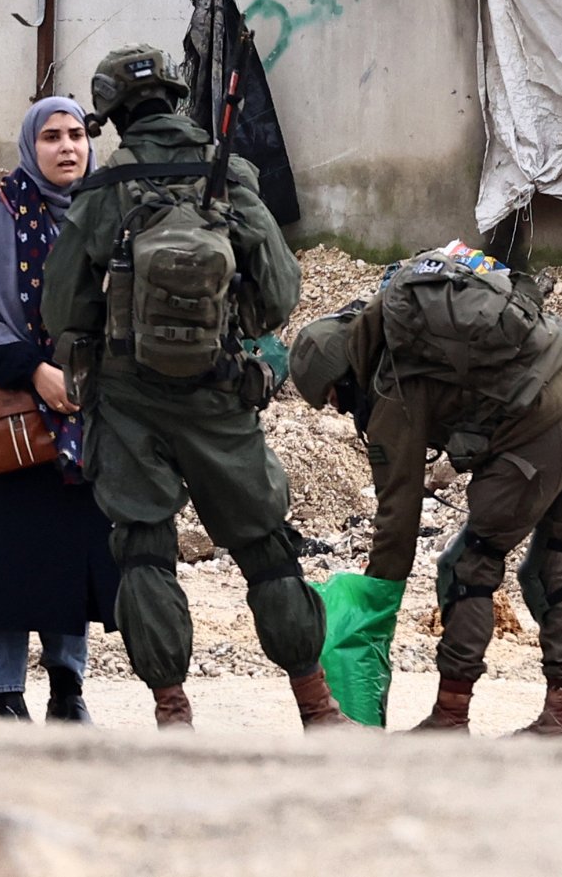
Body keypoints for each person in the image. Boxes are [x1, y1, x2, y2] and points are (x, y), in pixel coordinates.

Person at [41, 44, 343, 731]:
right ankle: (317, 706)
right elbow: (279, 293)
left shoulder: (102, 186)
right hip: (220, 395)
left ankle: (173, 713)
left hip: (126, 402)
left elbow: (62, 310)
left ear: (112, 115)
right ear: (176, 99)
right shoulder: (227, 174)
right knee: (266, 545)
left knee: (144, 548)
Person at [288, 248, 562, 737]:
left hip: (544, 431)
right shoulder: (414, 343)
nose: (339, 411)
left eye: (333, 400)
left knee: (467, 564)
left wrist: (375, 601)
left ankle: (450, 716)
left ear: (339, 376)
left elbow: (397, 515)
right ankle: (561, 715)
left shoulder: (388, 381)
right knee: (555, 565)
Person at [0, 97, 119, 722]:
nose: (68, 147)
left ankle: (69, 690)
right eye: (51, 137)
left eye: (77, 135)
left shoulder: (110, 216)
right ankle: (5, 697)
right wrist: (38, 372)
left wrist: (85, 374)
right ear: (27, 145)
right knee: (2, 561)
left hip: (86, 408)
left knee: (71, 557)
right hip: (5, 407)